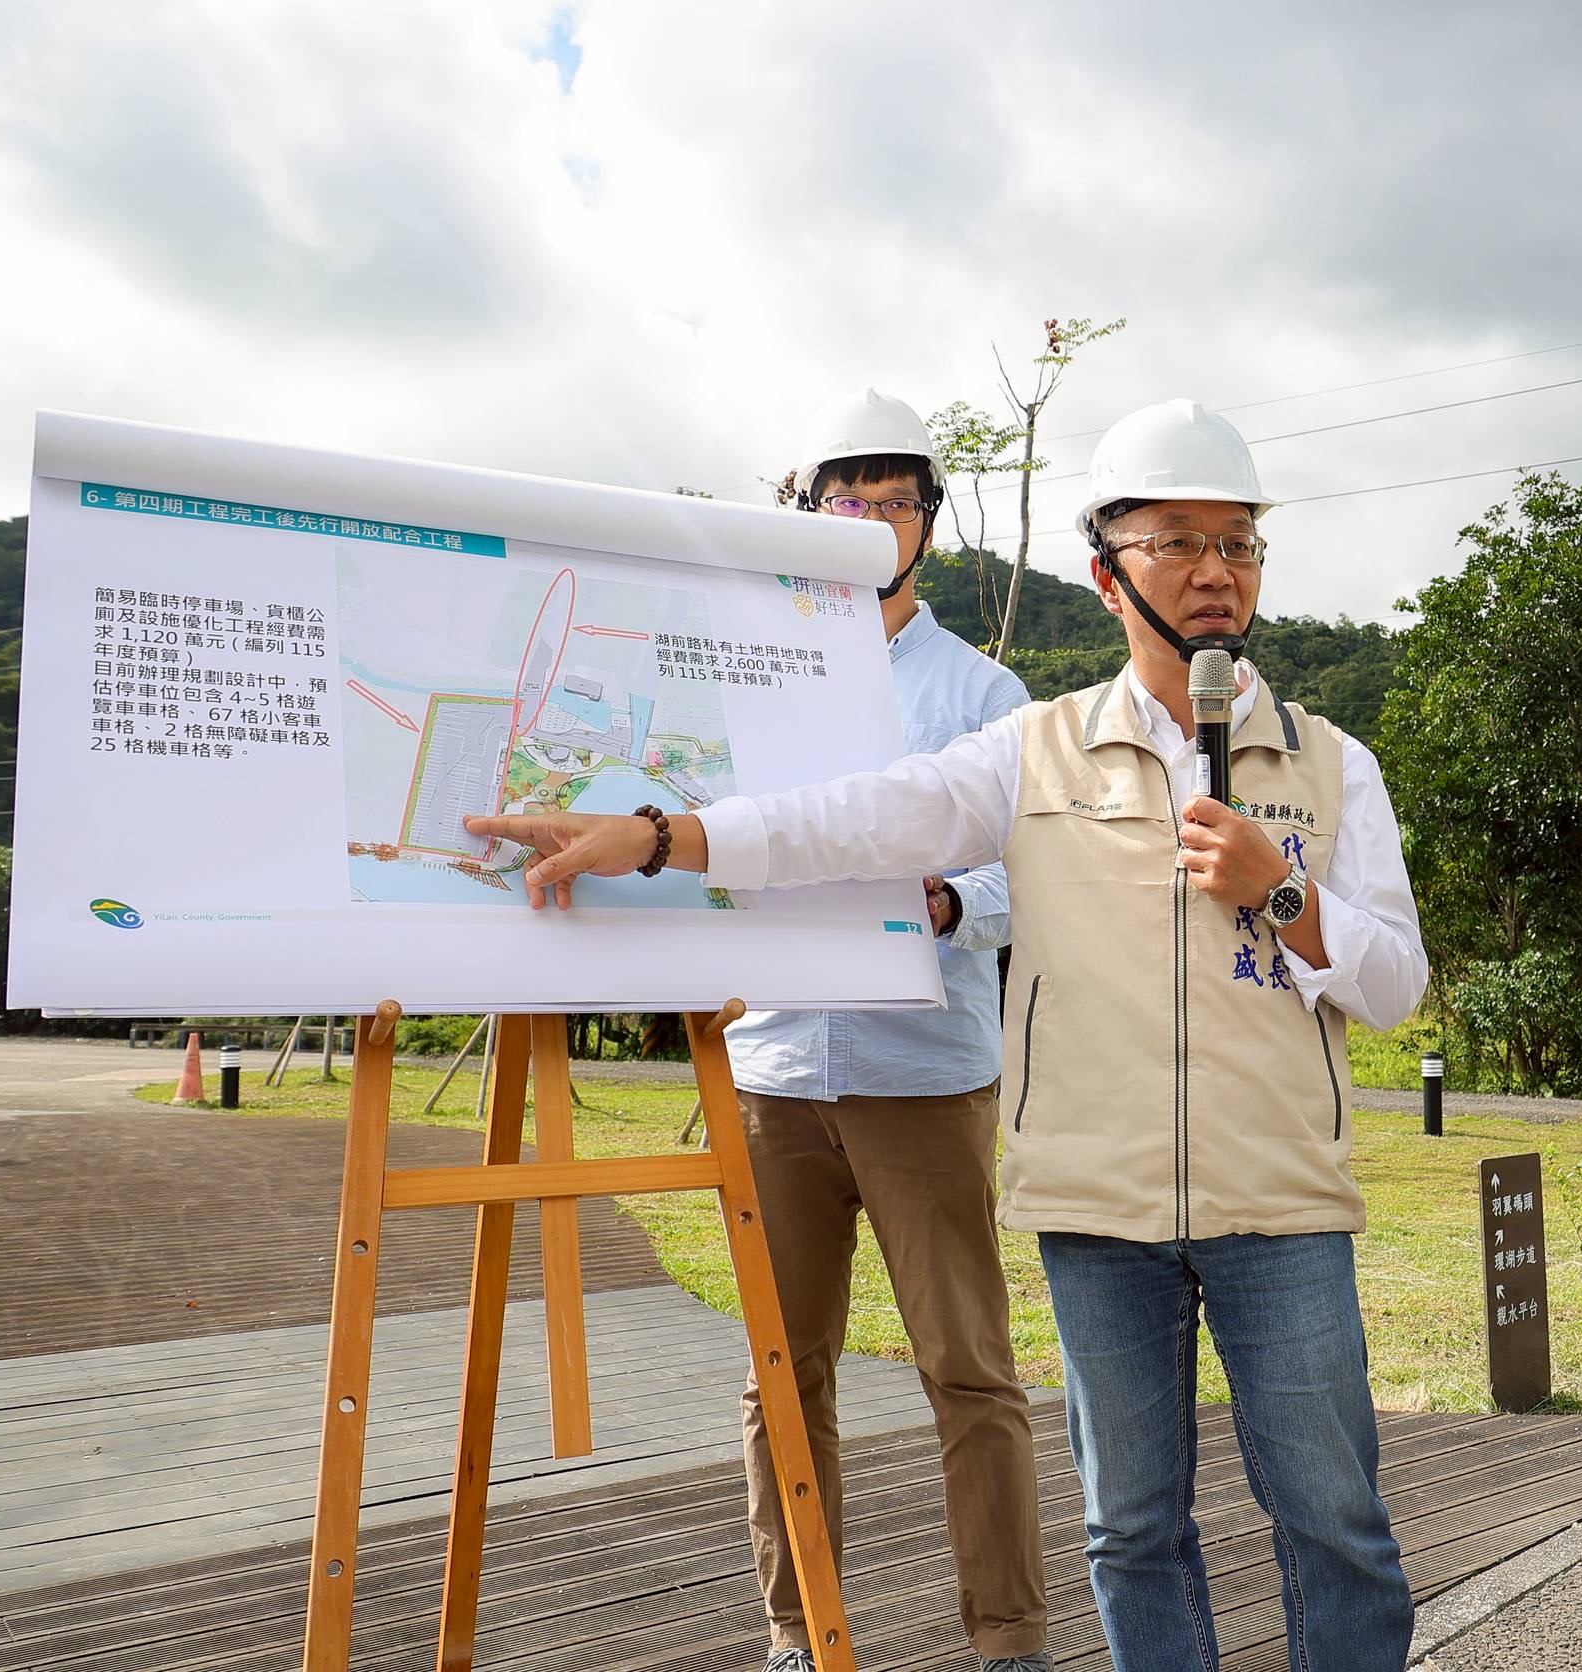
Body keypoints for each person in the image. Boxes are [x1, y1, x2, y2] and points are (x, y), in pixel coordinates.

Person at [465, 399, 1427, 1672]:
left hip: (1284, 1205)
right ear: (1106, 572)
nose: (1213, 572)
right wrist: (658, 838)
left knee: (1336, 1526)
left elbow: (1398, 983)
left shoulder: (1332, 762)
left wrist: (1284, 893)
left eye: (1239, 543)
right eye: (1177, 542)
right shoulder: (1030, 750)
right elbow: (857, 819)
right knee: (1132, 1531)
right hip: (1100, 1209)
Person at [715, 390, 1046, 1672]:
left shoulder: (982, 688)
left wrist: (957, 895)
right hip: (776, 1066)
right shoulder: (747, 673)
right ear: (806, 516)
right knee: (780, 1379)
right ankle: (801, 1636)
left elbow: (1037, 865)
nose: (865, 522)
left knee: (967, 1368)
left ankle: (1008, 1638)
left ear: (927, 525)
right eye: (840, 502)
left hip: (925, 1071)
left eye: (892, 501)